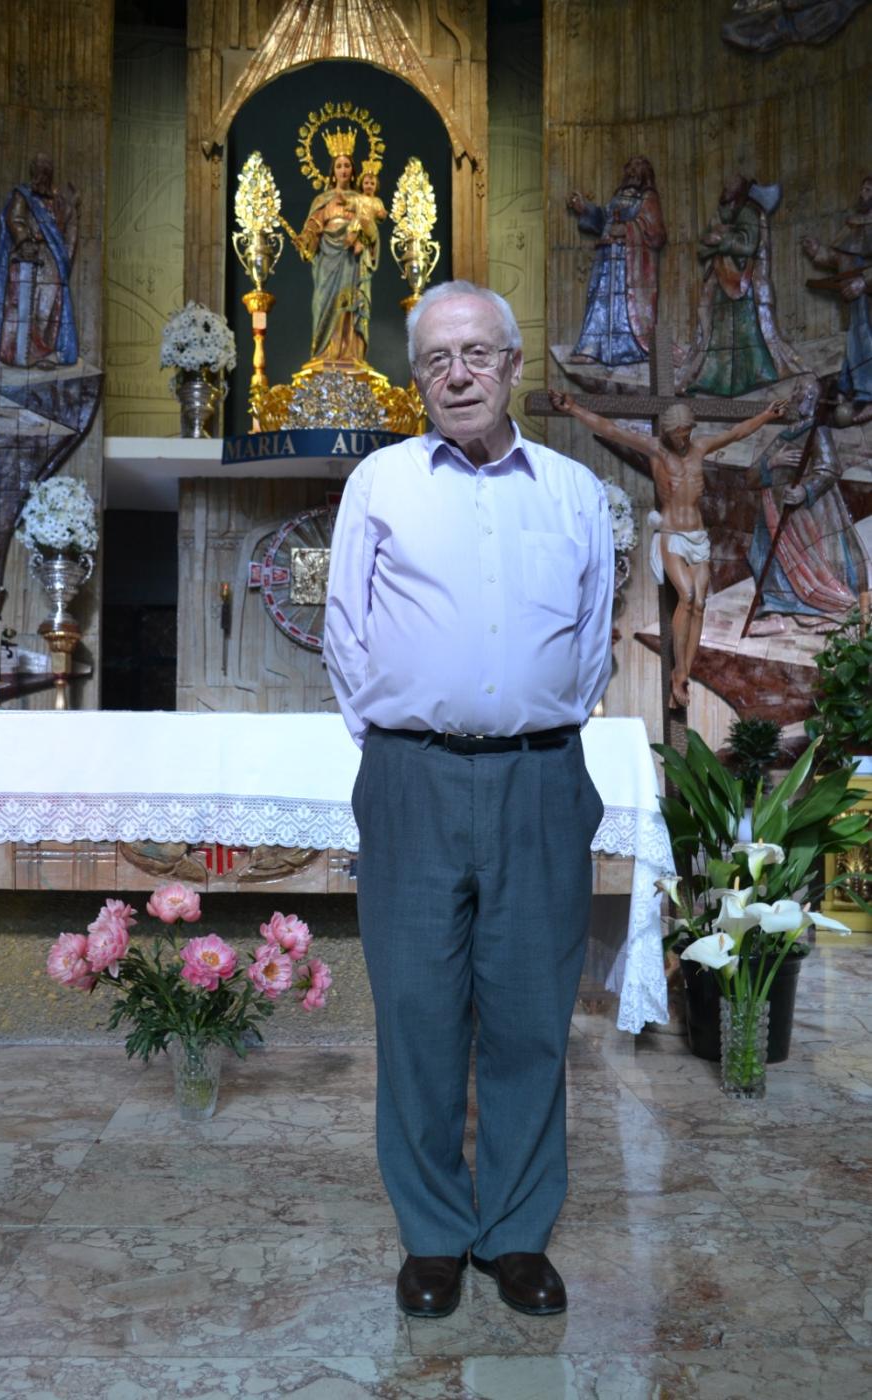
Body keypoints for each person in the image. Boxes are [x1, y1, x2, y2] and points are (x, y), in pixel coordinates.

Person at [324, 280, 614, 1321]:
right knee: (415, 1012)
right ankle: (435, 1234)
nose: (456, 373)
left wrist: (533, 724)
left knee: (533, 1015)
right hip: (410, 777)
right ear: (415, 378)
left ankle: (517, 1232)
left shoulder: (573, 493)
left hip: (541, 775)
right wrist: (407, 735)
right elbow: (344, 632)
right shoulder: (381, 480)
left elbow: (588, 644)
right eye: (436, 358)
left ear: (510, 366)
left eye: (476, 354)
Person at [550, 390, 787, 707]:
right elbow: (610, 429)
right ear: (666, 432)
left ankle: (682, 674)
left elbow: (736, 432)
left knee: (701, 602)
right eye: (676, 433)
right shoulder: (655, 450)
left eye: (686, 431)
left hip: (698, 535)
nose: (682, 438)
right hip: (672, 533)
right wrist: (574, 408)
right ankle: (679, 671)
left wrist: (766, 416)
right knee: (687, 595)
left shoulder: (700, 447)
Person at [746, 379, 869, 625]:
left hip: (808, 514)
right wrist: (771, 463)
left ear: (811, 398)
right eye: (796, 391)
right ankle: (776, 607)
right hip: (774, 510)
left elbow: (829, 468)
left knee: (814, 563)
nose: (794, 395)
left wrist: (805, 490)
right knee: (762, 555)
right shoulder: (786, 435)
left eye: (799, 391)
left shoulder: (817, 430)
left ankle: (815, 609)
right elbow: (750, 476)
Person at [678, 174, 802, 397]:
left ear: (740, 190)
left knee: (748, 331)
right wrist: (716, 241)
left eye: (730, 187)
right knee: (719, 336)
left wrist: (722, 240)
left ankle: (757, 373)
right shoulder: (721, 214)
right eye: (725, 186)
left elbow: (748, 245)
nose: (725, 190)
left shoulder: (750, 212)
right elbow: (703, 247)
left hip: (745, 284)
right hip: (721, 282)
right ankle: (716, 378)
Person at [0, 152, 79, 368]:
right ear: (33, 170)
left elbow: (66, 220)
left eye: (47, 167)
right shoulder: (23, 194)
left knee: (48, 305)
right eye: (39, 167)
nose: (43, 171)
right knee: (20, 303)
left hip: (51, 256)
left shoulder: (56, 199)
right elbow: (14, 218)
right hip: (27, 255)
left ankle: (41, 352)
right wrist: (24, 240)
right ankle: (15, 353)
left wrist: (73, 205)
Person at [566, 155, 666, 365]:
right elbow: (605, 219)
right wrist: (585, 208)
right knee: (599, 301)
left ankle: (627, 349)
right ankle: (591, 347)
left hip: (628, 262)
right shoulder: (618, 196)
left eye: (636, 169)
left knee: (622, 304)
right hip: (606, 258)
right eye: (629, 169)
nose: (630, 173)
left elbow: (656, 233)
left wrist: (628, 229)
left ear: (644, 174)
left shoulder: (647, 198)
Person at [296, 141, 380, 364]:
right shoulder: (323, 201)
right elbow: (313, 228)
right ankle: (326, 353)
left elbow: (372, 234)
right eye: (339, 166)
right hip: (328, 261)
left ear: (353, 171)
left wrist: (363, 230)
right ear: (333, 172)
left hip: (352, 260)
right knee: (325, 304)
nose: (343, 170)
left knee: (349, 304)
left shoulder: (362, 201)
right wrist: (305, 240)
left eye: (347, 166)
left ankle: (350, 354)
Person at [801, 175, 872, 425]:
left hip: (866, 296)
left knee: (865, 340)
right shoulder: (854, 224)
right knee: (855, 341)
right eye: (862, 188)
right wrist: (818, 251)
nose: (863, 193)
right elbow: (840, 257)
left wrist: (865, 282)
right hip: (855, 301)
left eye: (868, 189)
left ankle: (868, 396)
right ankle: (849, 388)